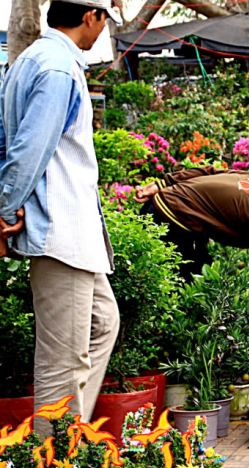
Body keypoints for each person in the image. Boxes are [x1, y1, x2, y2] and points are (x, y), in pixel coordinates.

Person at [0, 0, 123, 434]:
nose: (102, 30)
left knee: (103, 324)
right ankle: (52, 466)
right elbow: (29, 149)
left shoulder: (31, 59)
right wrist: (4, 208)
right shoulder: (56, 68)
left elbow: (5, 138)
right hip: (60, 229)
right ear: (91, 16)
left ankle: (70, 440)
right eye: (104, 20)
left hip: (73, 231)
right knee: (62, 361)